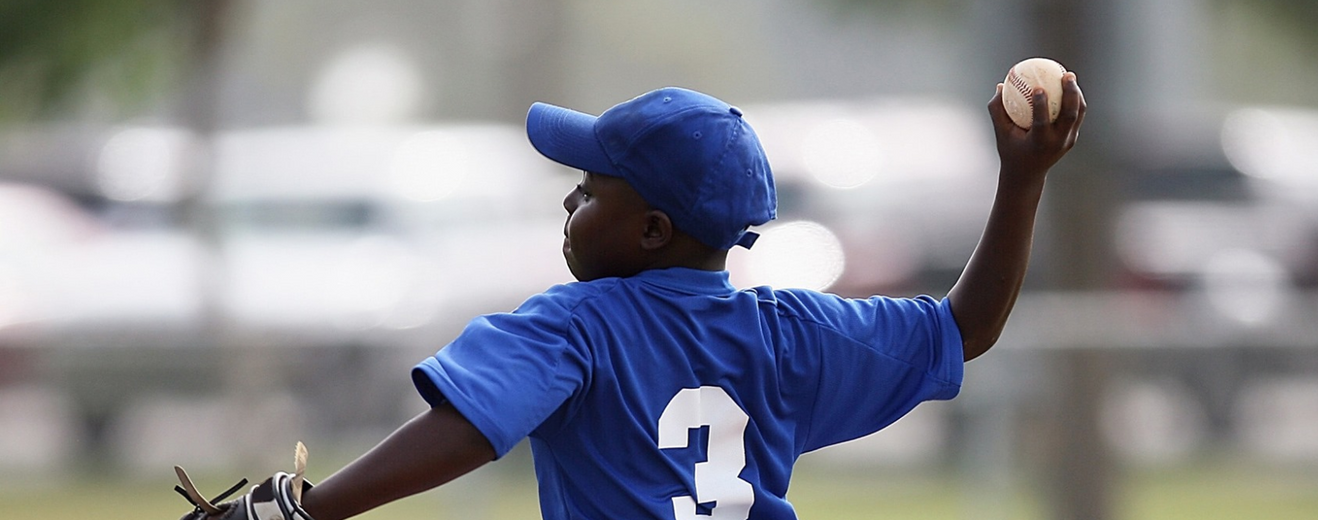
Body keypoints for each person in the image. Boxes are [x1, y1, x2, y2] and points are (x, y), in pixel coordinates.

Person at [178, 73, 1083, 520]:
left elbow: (468, 427)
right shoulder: (791, 332)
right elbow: (966, 329)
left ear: (651, 229)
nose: (570, 200)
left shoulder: (577, 324)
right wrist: (1023, 179)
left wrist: (306, 506)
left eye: (589, 188)